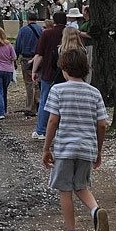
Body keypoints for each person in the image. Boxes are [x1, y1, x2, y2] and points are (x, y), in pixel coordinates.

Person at [41, 49, 110, 231]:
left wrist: (47, 148)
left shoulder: (58, 90)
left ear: (64, 69)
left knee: (65, 190)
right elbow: (102, 124)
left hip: (65, 148)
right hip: (87, 148)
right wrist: (98, 150)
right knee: (81, 186)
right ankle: (96, 210)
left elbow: (53, 120)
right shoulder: (94, 92)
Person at [31, 11, 67, 140]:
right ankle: (60, 130)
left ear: (54, 20)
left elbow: (39, 54)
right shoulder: (71, 34)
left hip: (49, 72)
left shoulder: (47, 33)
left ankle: (41, 130)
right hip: (66, 73)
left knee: (45, 101)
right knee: (64, 103)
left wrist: (34, 71)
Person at [14, 13, 43, 116]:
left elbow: (17, 45)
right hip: (39, 58)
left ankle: (30, 107)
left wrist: (15, 58)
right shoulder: (41, 30)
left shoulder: (23, 30)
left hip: (26, 58)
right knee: (38, 82)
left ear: (27, 19)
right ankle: (39, 104)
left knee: (29, 83)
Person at [78, 5, 94, 83]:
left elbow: (90, 35)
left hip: (89, 45)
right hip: (83, 45)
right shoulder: (84, 22)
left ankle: (88, 81)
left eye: (84, 11)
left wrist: (79, 32)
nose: (82, 13)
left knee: (89, 64)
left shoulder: (90, 22)